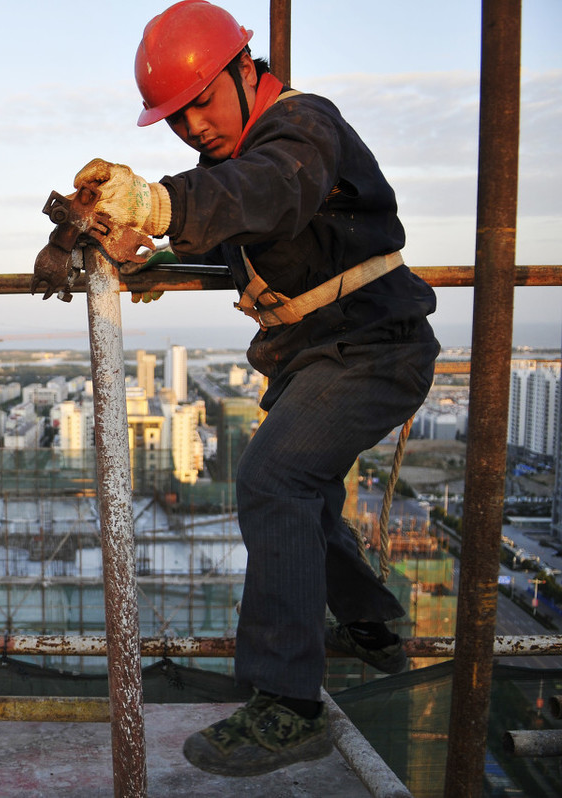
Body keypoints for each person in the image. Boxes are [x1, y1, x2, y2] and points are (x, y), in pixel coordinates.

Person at [58, 0, 440, 778]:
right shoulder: (234, 163)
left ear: (245, 70)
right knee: (307, 494)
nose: (192, 126)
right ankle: (370, 625)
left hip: (372, 348)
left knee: (274, 479)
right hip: (322, 352)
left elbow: (268, 193)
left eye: (200, 102)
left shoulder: (301, 129)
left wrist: (157, 206)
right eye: (175, 116)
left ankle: (289, 704)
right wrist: (153, 261)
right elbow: (242, 220)